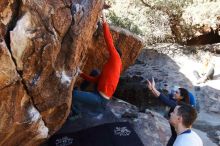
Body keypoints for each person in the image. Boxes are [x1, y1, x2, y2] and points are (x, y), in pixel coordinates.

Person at [72, 10, 122, 115]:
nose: (110, 53)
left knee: (74, 95)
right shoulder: (112, 66)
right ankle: (82, 90)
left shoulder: (116, 58)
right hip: (99, 92)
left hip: (100, 99)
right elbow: (95, 79)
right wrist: (80, 73)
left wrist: (104, 21)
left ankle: (76, 113)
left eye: (112, 53)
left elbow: (109, 42)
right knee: (95, 72)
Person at [147, 78, 193, 146]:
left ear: (181, 97)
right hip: (175, 134)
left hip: (177, 137)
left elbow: (165, 100)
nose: (174, 93)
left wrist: (153, 88)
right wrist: (152, 89)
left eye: (177, 92)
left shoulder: (179, 106)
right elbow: (161, 97)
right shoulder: (177, 102)